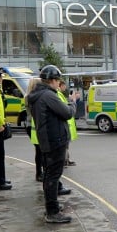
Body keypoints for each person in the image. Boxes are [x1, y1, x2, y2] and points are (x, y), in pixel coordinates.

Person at [27, 65, 74, 223]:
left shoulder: (38, 94)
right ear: (53, 80)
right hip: (55, 141)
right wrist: (72, 102)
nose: (58, 83)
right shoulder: (48, 95)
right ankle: (52, 212)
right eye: (58, 80)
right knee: (53, 176)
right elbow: (67, 113)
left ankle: (51, 206)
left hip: (48, 140)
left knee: (49, 175)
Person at [59, 78, 78, 166]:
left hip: (66, 125)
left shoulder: (60, 95)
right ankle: (64, 161)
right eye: (64, 85)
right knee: (64, 145)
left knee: (66, 145)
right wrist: (73, 101)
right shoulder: (58, 95)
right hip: (64, 125)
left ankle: (66, 160)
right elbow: (66, 109)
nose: (65, 87)